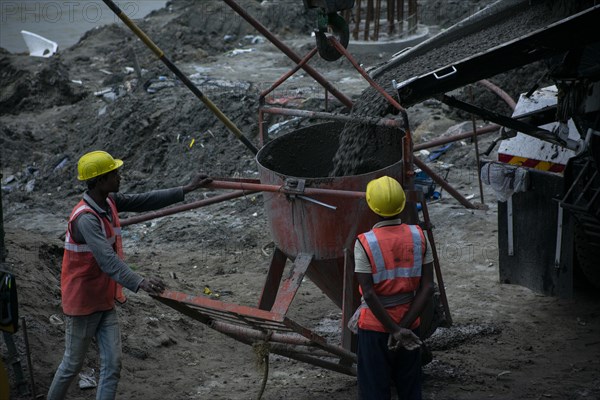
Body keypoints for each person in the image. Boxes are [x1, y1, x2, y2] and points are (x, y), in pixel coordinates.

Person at [47, 150, 211, 400]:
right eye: (114, 173)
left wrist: (187, 189)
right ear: (100, 180)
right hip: (82, 302)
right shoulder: (86, 219)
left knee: (113, 365)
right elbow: (107, 260)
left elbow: (145, 200)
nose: (119, 176)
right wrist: (140, 282)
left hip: (103, 298)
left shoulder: (108, 200)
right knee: (71, 365)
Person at [353, 175, 434, 400]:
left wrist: (393, 330)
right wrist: (403, 329)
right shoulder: (419, 236)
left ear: (371, 206)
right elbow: (427, 288)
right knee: (410, 389)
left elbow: (368, 293)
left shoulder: (364, 242)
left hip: (374, 328)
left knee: (374, 391)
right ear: (402, 204)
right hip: (411, 326)